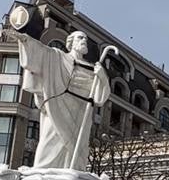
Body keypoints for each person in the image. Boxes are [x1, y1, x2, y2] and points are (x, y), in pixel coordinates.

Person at [7, 29, 113, 171]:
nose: (84, 41)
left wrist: (102, 77)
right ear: (71, 42)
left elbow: (100, 98)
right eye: (80, 38)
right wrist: (25, 40)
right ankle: (42, 173)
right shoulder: (58, 57)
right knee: (51, 139)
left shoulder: (93, 68)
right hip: (58, 105)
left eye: (85, 39)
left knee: (76, 147)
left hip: (81, 110)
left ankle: (72, 174)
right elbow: (41, 53)